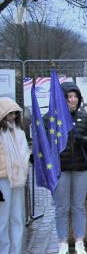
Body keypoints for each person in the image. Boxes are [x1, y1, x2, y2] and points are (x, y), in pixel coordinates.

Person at [52, 82, 87, 254]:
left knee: (78, 206)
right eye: (69, 97)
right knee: (61, 207)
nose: (73, 100)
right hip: (61, 168)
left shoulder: (84, 117)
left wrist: (83, 140)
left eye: (75, 96)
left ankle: (79, 241)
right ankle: (62, 242)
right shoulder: (52, 117)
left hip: (80, 168)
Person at [0, 98, 29, 254]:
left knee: (17, 217)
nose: (12, 116)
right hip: (2, 180)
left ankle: (16, 251)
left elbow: (24, 153)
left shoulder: (19, 132)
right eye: (9, 113)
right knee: (2, 220)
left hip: (18, 180)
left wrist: (23, 170)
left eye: (14, 113)